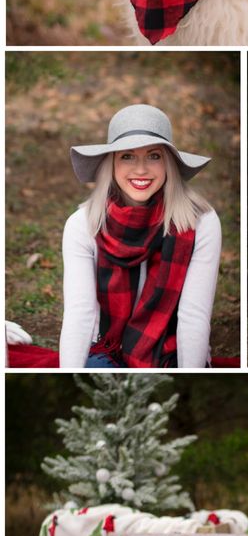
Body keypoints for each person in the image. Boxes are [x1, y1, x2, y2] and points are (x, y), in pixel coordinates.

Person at [59, 104, 222, 368]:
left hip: (168, 348)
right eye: (127, 156)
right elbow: (80, 314)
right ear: (111, 163)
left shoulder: (201, 222)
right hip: (107, 348)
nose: (141, 169)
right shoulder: (83, 225)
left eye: (154, 156)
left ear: (168, 162)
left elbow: (193, 315)